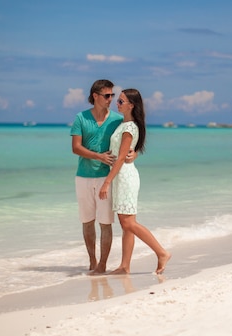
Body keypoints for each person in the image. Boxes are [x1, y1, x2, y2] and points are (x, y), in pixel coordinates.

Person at [99, 88, 171, 275]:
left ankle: (162, 253)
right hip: (121, 176)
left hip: (124, 177)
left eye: (121, 101)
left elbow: (121, 158)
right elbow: (127, 153)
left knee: (129, 223)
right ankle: (125, 266)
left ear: (131, 105)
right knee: (126, 224)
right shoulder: (124, 124)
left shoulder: (130, 127)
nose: (118, 103)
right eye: (118, 100)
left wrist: (106, 182)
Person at [70, 79, 134, 275]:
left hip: (107, 178)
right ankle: (92, 261)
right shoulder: (81, 118)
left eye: (112, 96)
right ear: (95, 96)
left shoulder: (117, 120)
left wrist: (134, 153)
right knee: (87, 221)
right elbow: (76, 148)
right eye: (107, 96)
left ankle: (103, 264)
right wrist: (98, 156)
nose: (111, 99)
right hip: (83, 177)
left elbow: (131, 139)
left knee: (105, 222)